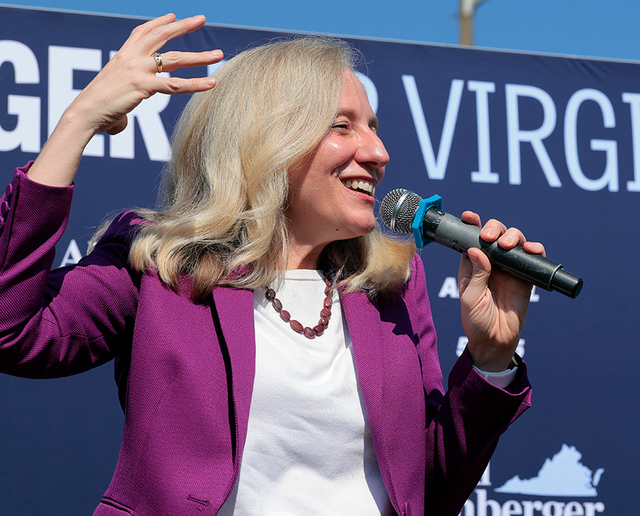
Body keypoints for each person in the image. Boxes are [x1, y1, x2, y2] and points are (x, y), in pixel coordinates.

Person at [0, 13, 541, 516]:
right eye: (343, 126)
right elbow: (12, 331)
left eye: (373, 127)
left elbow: (426, 488)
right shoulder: (160, 263)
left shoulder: (394, 282)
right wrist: (77, 122)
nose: (378, 152)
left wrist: (492, 358)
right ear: (266, 142)